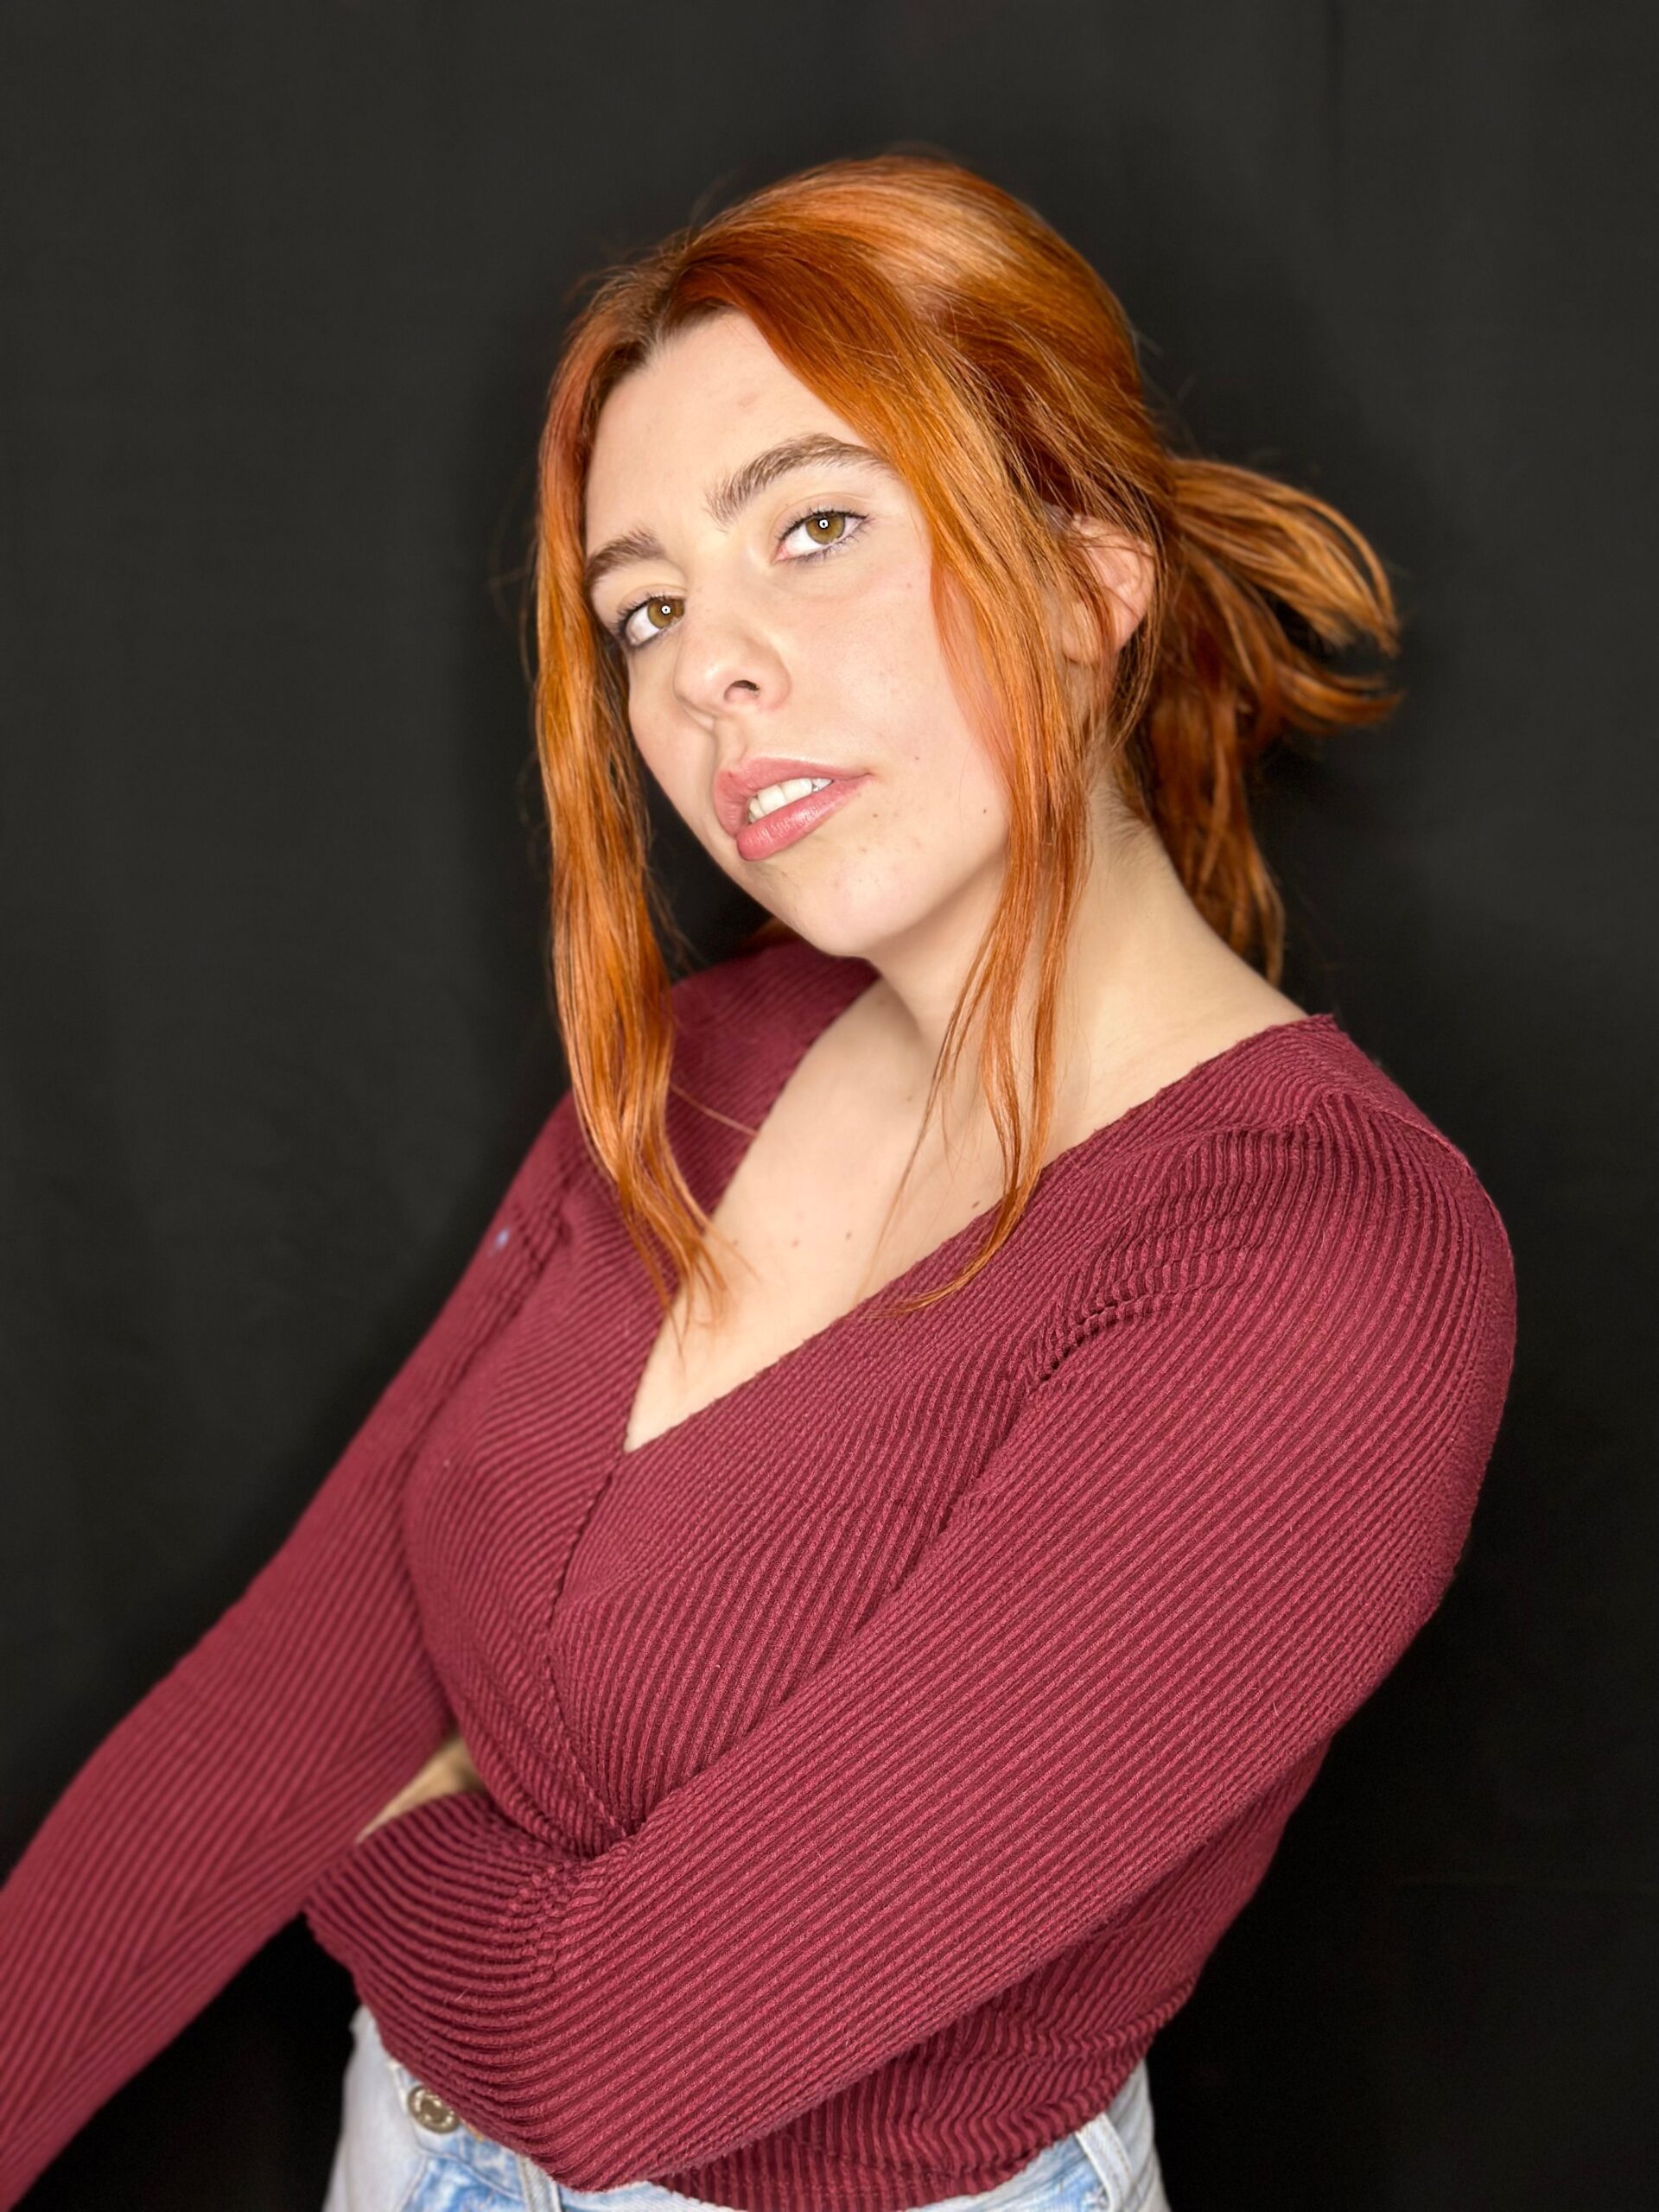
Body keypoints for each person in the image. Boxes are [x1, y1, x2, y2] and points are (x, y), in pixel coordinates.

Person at [0, 152, 1517, 2212]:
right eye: (647, 607)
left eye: (814, 526)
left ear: (1089, 580)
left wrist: (375, 1831)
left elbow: (613, 2046)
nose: (706, 667)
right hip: (404, 2147)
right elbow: (286, 1699)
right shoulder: (705, 1055)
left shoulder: (1330, 1270)